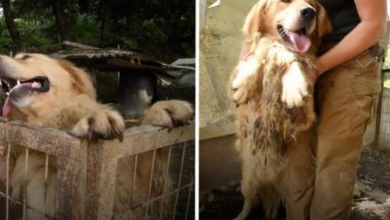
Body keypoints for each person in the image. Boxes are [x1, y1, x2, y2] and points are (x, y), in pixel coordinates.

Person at [239, 0, 387, 219]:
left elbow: (374, 24)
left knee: (333, 167)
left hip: (351, 63)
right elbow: (258, 24)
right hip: (295, 60)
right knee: (296, 162)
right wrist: (246, 69)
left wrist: (315, 68)